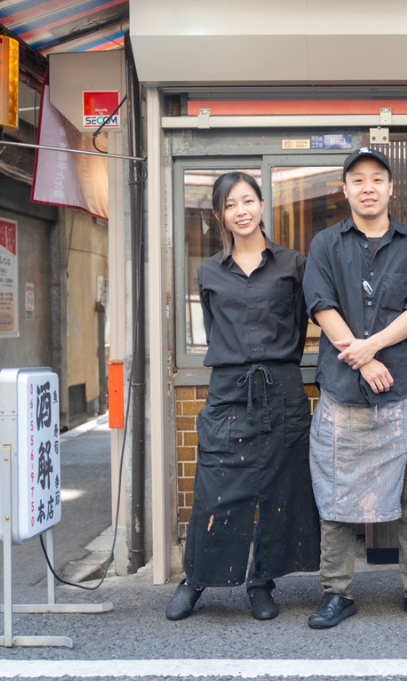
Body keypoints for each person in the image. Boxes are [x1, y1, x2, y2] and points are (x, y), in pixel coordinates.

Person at [302, 147, 407, 628]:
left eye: (377, 179)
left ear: (391, 189)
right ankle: (337, 592)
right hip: (342, 395)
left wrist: (370, 349)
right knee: (335, 498)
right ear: (345, 190)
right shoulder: (326, 244)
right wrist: (362, 360)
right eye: (358, 179)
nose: (368, 187)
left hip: (402, 392)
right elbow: (322, 305)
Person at [165, 171, 320, 622]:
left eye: (248, 201)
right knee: (217, 485)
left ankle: (261, 581)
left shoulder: (293, 264)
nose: (242, 211)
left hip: (282, 385)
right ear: (219, 215)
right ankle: (195, 580)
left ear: (262, 205)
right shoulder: (209, 271)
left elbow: (300, 324)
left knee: (278, 488)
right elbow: (215, 328)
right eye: (231, 205)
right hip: (230, 386)